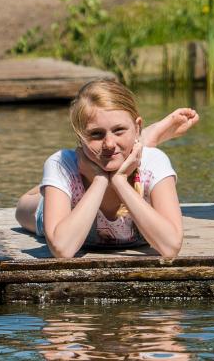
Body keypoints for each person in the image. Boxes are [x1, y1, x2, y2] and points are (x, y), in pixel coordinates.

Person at [14, 80, 188, 258]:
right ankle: (50, 186)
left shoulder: (154, 162)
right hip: (64, 206)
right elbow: (62, 249)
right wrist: (99, 179)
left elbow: (170, 247)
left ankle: (146, 140)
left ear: (137, 127)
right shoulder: (61, 164)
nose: (109, 144)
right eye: (96, 134)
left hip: (132, 164)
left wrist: (119, 182)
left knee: (134, 154)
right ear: (80, 137)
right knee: (21, 210)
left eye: (119, 130)